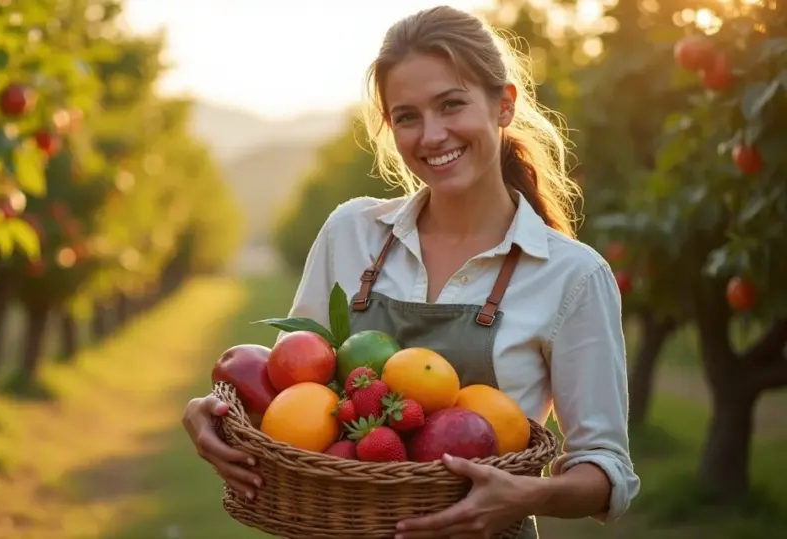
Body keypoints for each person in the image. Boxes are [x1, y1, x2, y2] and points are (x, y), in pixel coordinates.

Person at [182, 5, 639, 538]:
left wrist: (528, 493)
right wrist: (215, 411)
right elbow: (290, 389)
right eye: (407, 116)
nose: (432, 135)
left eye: (452, 105)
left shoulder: (570, 274)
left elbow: (606, 471)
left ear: (504, 105)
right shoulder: (351, 232)